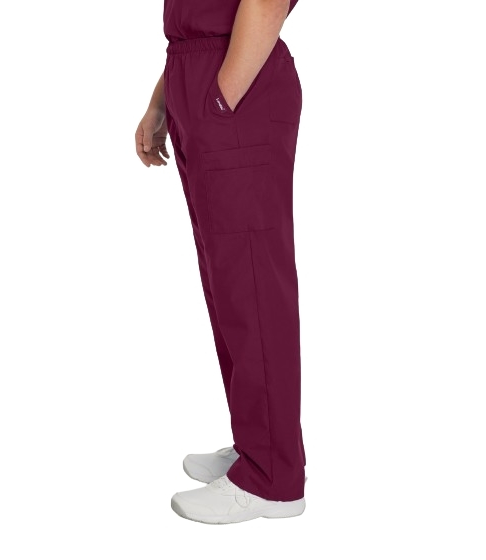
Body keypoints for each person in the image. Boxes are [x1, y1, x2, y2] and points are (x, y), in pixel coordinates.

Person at [135, 0, 306, 524]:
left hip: (235, 86)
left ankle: (274, 478)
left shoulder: (226, 89)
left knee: (253, 284)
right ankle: (257, 445)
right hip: (202, 77)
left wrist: (219, 99)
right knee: (229, 285)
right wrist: (163, 102)